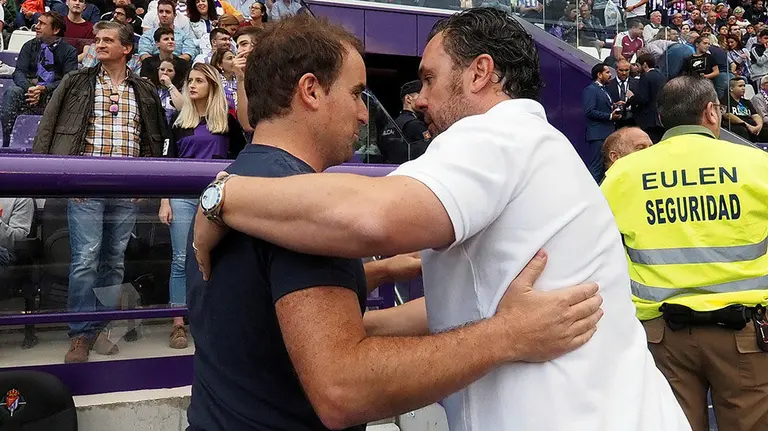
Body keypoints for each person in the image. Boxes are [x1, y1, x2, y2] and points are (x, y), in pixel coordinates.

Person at [192, 10, 690, 431]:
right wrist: (501, 330)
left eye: (429, 78)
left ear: (479, 73)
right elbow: (458, 311)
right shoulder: (522, 144)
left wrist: (222, 195)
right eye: (358, 93)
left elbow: (373, 217)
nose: (418, 98)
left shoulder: (498, 135)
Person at [601, 75, 768, 431]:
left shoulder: (623, 174)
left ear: (662, 119)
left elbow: (598, 252)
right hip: (745, 336)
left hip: (662, 337)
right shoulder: (756, 165)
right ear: (711, 111)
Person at [32, 21, 168, 363]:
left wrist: (145, 184)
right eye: (98, 39)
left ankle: (100, 329)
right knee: (85, 260)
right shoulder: (76, 81)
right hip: (85, 186)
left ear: (127, 49)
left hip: (126, 190)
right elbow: (49, 127)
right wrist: (56, 177)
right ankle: (79, 334)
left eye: (108, 39)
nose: (100, 43)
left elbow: (152, 138)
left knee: (113, 262)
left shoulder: (145, 90)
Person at [159, 63, 245, 349]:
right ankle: (178, 323)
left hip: (218, 198)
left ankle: (212, 318)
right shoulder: (178, 122)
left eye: (199, 81)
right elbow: (166, 165)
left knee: (216, 259)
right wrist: (164, 200)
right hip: (182, 198)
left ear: (212, 86)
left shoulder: (228, 124)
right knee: (181, 260)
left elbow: (240, 162)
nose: (192, 85)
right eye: (190, 81)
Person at [0, 11, 77, 146]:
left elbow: (69, 79)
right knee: (12, 92)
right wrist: (30, 88)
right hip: (28, 91)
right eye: (38, 22)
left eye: (42, 23)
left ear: (56, 30)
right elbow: (18, 73)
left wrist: (44, 88)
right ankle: (6, 142)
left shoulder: (69, 51)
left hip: (54, 93)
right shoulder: (29, 46)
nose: (36, 26)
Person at [378, 80, 431, 164]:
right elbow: (430, 153)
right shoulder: (414, 124)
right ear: (408, 98)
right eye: (421, 96)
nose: (424, 101)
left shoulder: (391, 124)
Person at [582, 62, 619, 182]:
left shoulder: (603, 90)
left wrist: (614, 106)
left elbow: (601, 106)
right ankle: (590, 193)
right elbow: (589, 111)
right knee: (596, 167)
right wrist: (610, 116)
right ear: (599, 74)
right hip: (598, 135)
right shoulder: (590, 90)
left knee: (605, 167)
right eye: (607, 72)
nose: (610, 75)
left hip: (606, 134)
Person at [627, 53, 666, 143]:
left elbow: (642, 98)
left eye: (638, 65)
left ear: (644, 64)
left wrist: (631, 97)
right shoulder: (662, 76)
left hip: (647, 120)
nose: (636, 68)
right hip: (660, 119)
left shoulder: (645, 77)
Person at [721, 76, 768, 141]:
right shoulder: (725, 100)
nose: (743, 88)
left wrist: (759, 126)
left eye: (744, 86)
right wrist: (747, 125)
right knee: (742, 130)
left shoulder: (746, 102)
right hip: (737, 126)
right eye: (740, 86)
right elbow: (727, 115)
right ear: (731, 88)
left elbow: (755, 115)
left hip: (750, 126)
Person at [210, 48, 237, 116]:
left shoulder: (239, 79)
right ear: (219, 64)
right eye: (230, 58)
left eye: (235, 58)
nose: (234, 61)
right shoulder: (214, 82)